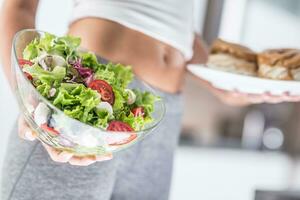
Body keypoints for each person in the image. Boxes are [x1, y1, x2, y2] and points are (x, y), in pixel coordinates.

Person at [1, 1, 299, 200]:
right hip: (89, 104)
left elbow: (170, 21)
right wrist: (36, 106)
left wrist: (218, 78)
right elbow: (18, 8)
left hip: (159, 117)